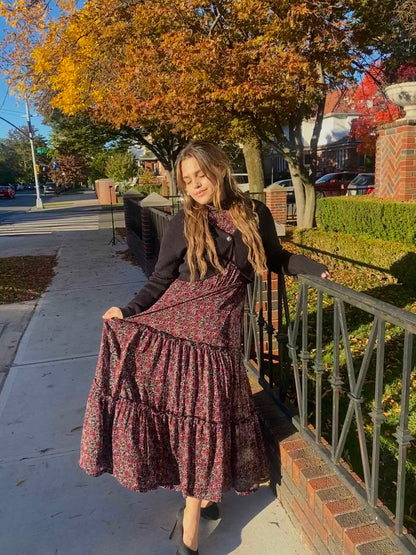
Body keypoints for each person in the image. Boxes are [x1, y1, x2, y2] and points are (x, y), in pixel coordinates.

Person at [79, 141, 330, 555]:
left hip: (219, 338)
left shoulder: (254, 213)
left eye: (201, 175)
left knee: (205, 420)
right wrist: (126, 311)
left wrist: (313, 267)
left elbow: (275, 256)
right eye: (187, 179)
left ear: (220, 169)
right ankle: (193, 525)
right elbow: (160, 281)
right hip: (179, 329)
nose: (196, 184)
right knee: (195, 420)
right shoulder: (182, 222)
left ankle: (205, 500)